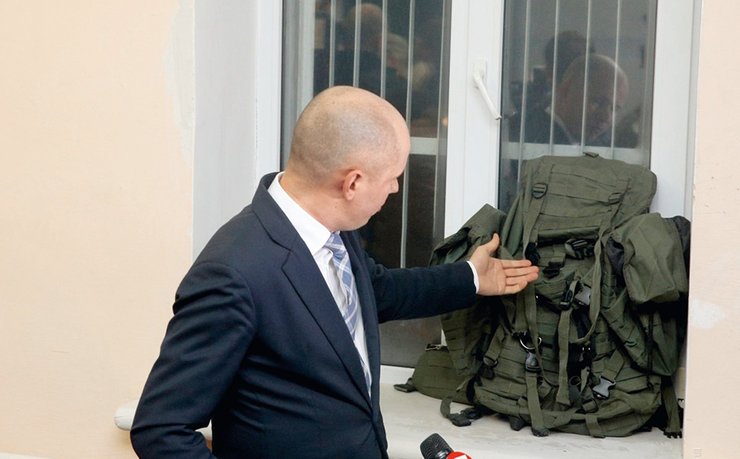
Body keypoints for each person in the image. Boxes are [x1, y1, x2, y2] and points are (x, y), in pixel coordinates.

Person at [130, 86, 539, 459]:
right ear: (353, 183)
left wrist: (471, 277)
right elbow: (161, 430)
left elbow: (376, 292)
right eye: (392, 178)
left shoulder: (332, 231)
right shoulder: (232, 274)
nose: (395, 189)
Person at [518, 53, 629, 146]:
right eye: (598, 102)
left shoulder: (603, 148)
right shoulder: (521, 134)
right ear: (566, 90)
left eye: (614, 109)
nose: (606, 117)